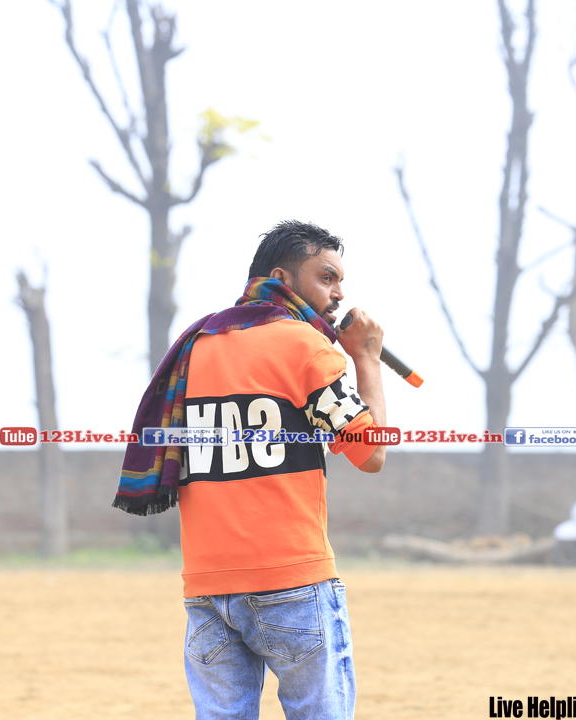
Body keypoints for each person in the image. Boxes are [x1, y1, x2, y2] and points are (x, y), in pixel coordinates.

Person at [115, 220, 386, 720]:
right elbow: (370, 453)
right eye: (326, 277)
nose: (339, 293)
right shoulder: (304, 345)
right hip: (293, 581)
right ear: (281, 278)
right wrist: (366, 359)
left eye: (340, 281)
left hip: (207, 588)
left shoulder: (195, 347)